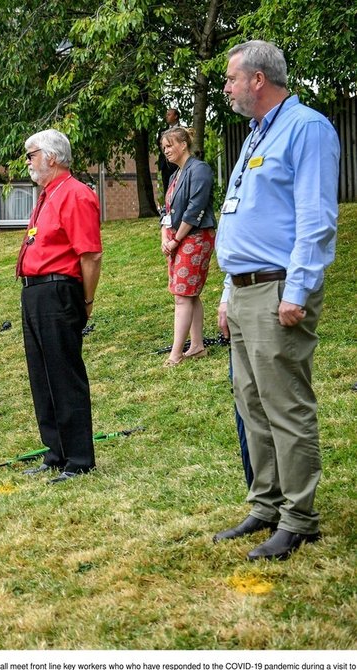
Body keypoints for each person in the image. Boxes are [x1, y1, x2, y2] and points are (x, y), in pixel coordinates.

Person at [213, 40, 339, 561]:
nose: (226, 88)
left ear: (258, 79)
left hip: (278, 290)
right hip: (244, 291)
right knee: (252, 403)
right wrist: (225, 292)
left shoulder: (306, 128)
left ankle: (299, 517)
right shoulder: (256, 134)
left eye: (231, 78)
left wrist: (299, 289)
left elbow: (315, 217)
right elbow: (242, 215)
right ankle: (266, 505)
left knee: (285, 405)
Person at [16, 129, 103, 484]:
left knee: (64, 375)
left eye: (32, 154)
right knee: (42, 376)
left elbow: (91, 254)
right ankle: (55, 451)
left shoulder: (75, 194)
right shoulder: (46, 196)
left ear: (52, 157)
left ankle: (79, 457)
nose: (28, 162)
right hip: (35, 292)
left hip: (58, 291)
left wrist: (86, 299)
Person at [158, 126, 216, 366]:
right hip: (176, 238)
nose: (166, 151)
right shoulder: (174, 175)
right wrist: (164, 235)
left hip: (196, 237)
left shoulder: (199, 169)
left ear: (183, 144)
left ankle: (176, 354)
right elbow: (167, 210)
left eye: (169, 145)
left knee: (183, 295)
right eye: (163, 148)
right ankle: (197, 346)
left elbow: (196, 208)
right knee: (188, 294)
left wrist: (175, 239)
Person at [156, 108, 182, 194]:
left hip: (179, 164)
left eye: (169, 115)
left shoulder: (182, 130)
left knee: (179, 188)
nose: (166, 116)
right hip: (166, 165)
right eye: (166, 115)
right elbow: (159, 145)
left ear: (176, 116)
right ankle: (168, 207)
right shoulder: (162, 131)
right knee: (167, 189)